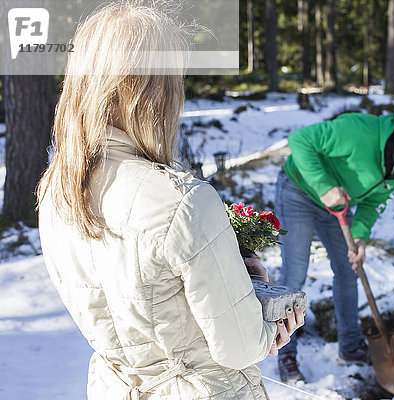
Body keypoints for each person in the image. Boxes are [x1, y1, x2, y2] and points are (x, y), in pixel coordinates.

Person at [37, 3, 303, 399]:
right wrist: (268, 326)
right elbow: (239, 346)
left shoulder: (57, 189)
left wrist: (232, 275)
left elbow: (135, 309)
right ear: (153, 91)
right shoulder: (182, 200)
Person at [275, 113, 394, 383]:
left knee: (349, 270)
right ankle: (286, 352)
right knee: (295, 274)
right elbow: (300, 140)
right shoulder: (359, 132)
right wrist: (324, 187)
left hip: (337, 207)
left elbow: (372, 204)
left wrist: (359, 237)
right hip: (298, 191)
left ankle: (350, 346)